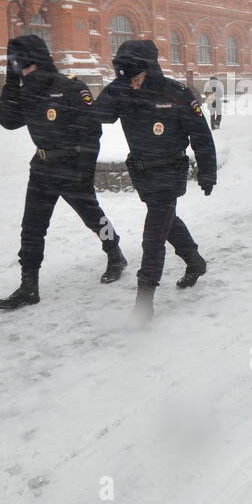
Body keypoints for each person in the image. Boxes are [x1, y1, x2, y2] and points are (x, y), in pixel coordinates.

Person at [0, 35, 126, 310]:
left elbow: (92, 132)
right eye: (17, 67)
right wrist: (10, 83)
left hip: (71, 166)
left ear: (37, 61)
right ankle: (29, 285)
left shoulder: (69, 87)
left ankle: (114, 253)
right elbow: (7, 121)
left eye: (23, 65)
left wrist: (84, 171)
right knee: (32, 228)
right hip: (41, 167)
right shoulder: (24, 90)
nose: (21, 71)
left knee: (93, 217)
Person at [95, 39, 216, 327]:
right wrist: (118, 87)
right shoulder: (123, 91)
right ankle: (195, 261)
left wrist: (207, 171)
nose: (133, 83)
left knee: (153, 236)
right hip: (142, 172)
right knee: (167, 222)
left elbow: (201, 135)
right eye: (127, 76)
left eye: (136, 76)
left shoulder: (176, 94)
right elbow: (99, 115)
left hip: (170, 171)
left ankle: (145, 297)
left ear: (149, 69)